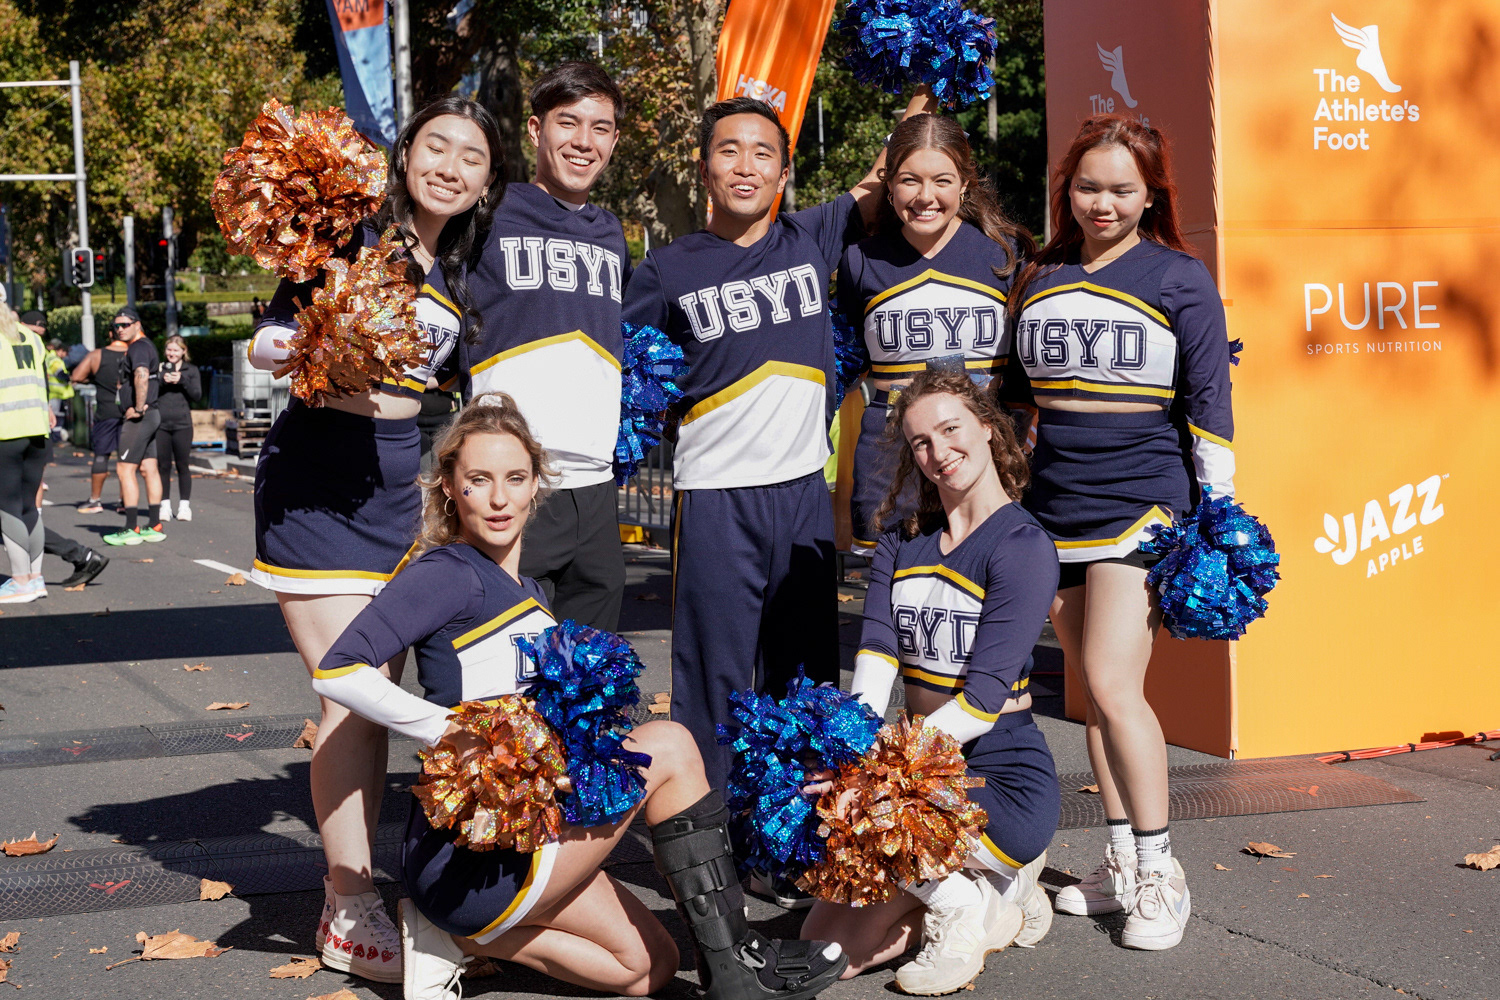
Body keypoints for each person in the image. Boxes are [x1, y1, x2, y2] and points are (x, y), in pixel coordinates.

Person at [313, 393, 849, 1000]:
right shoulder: (448, 573)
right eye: (479, 480)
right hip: (472, 848)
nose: (498, 498)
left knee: (649, 967)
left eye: (515, 478)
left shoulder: (531, 592)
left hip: (529, 829)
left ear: (536, 485)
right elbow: (338, 671)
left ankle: (454, 936)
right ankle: (737, 965)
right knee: (670, 745)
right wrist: (452, 730)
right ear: (449, 489)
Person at [619, 89, 935, 815]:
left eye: (763, 153)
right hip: (714, 500)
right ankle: (706, 835)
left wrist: (918, 89)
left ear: (784, 173)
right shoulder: (665, 271)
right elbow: (627, 381)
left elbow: (883, 171)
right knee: (716, 681)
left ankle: (795, 834)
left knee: (806, 677)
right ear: (703, 167)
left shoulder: (809, 236)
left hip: (801, 500)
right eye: (728, 150)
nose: (745, 165)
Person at [245, 95, 503, 983]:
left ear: (486, 181)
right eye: (437, 146)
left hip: (402, 499)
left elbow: (461, 392)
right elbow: (265, 340)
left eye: (471, 157)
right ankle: (348, 902)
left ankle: (416, 882)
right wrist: (312, 346)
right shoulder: (348, 239)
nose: (450, 167)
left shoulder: (458, 275)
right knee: (354, 698)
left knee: (383, 689)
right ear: (405, 155)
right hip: (318, 490)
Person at [1004, 115, 1234, 951]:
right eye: (1088, 187)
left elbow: (1209, 402)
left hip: (1141, 501)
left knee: (1112, 680)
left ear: (1151, 196)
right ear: (1067, 189)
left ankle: (1162, 870)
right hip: (1053, 504)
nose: (1103, 203)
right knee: (1089, 693)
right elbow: (1012, 398)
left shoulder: (1178, 276)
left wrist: (1220, 511)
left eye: (1122, 190)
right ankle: (1121, 860)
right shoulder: (1040, 274)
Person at [799, 371, 1060, 994]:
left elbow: (982, 701)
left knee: (866, 811)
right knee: (822, 945)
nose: (939, 452)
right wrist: (850, 748)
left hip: (998, 778)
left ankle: (962, 905)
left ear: (989, 428)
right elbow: (877, 650)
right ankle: (996, 894)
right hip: (913, 770)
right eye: (921, 442)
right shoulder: (902, 539)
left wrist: (874, 773)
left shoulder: (1022, 545)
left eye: (950, 429)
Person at [462, 61, 630, 631]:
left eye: (600, 128)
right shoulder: (485, 212)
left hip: (596, 488)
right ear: (536, 129)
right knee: (499, 663)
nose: (584, 141)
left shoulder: (613, 232)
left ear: (613, 141)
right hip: (511, 482)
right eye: (568, 122)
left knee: (589, 671)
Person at [836, 114, 1035, 548]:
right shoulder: (860, 260)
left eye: (942, 180)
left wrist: (1015, 447)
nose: (926, 196)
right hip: (891, 463)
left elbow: (1024, 375)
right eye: (910, 180)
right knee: (895, 587)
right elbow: (841, 360)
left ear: (964, 183)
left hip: (986, 459)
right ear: (889, 185)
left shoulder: (1005, 254)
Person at [0, 295, 54, 603]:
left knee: (7, 508)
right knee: (29, 507)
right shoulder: (31, 336)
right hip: (36, 429)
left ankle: (20, 581)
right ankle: (35, 578)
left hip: (6, 430)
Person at [101, 306, 166, 545]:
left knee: (124, 469)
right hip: (153, 414)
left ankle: (131, 528)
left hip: (141, 418)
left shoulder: (138, 347)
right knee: (148, 467)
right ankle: (154, 524)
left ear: (137, 325)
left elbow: (141, 374)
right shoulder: (145, 345)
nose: (120, 329)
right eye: (116, 325)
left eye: (125, 324)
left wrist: (138, 408)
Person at [68, 321, 130, 513]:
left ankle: (95, 500)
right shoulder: (134, 353)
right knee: (127, 459)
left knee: (101, 456)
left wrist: (95, 378)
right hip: (130, 412)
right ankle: (126, 501)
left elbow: (76, 376)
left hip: (106, 413)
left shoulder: (97, 355)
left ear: (110, 334)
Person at [153, 335, 202, 523]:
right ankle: (164, 506)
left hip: (183, 424)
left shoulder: (191, 370)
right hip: (161, 424)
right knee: (163, 466)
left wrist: (182, 380)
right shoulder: (159, 368)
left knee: (183, 465)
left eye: (175, 350)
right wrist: (162, 380)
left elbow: (197, 395)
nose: (171, 353)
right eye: (169, 350)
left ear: (183, 351)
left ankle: (184, 506)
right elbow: (150, 392)